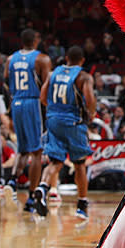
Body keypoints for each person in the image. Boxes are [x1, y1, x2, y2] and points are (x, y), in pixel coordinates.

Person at [33, 46, 96, 219]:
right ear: (82, 61)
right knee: (79, 164)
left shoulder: (53, 73)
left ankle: (43, 187)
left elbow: (43, 97)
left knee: (55, 162)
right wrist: (91, 113)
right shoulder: (83, 76)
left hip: (53, 119)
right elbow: (89, 100)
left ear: (66, 58)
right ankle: (82, 205)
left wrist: (56, 112)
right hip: (73, 122)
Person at [4, 29, 52, 212]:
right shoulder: (41, 59)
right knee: (37, 152)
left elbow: (6, 82)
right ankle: (32, 197)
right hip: (32, 102)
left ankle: (12, 181)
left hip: (16, 101)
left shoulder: (10, 59)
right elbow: (47, 84)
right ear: (36, 40)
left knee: (22, 150)